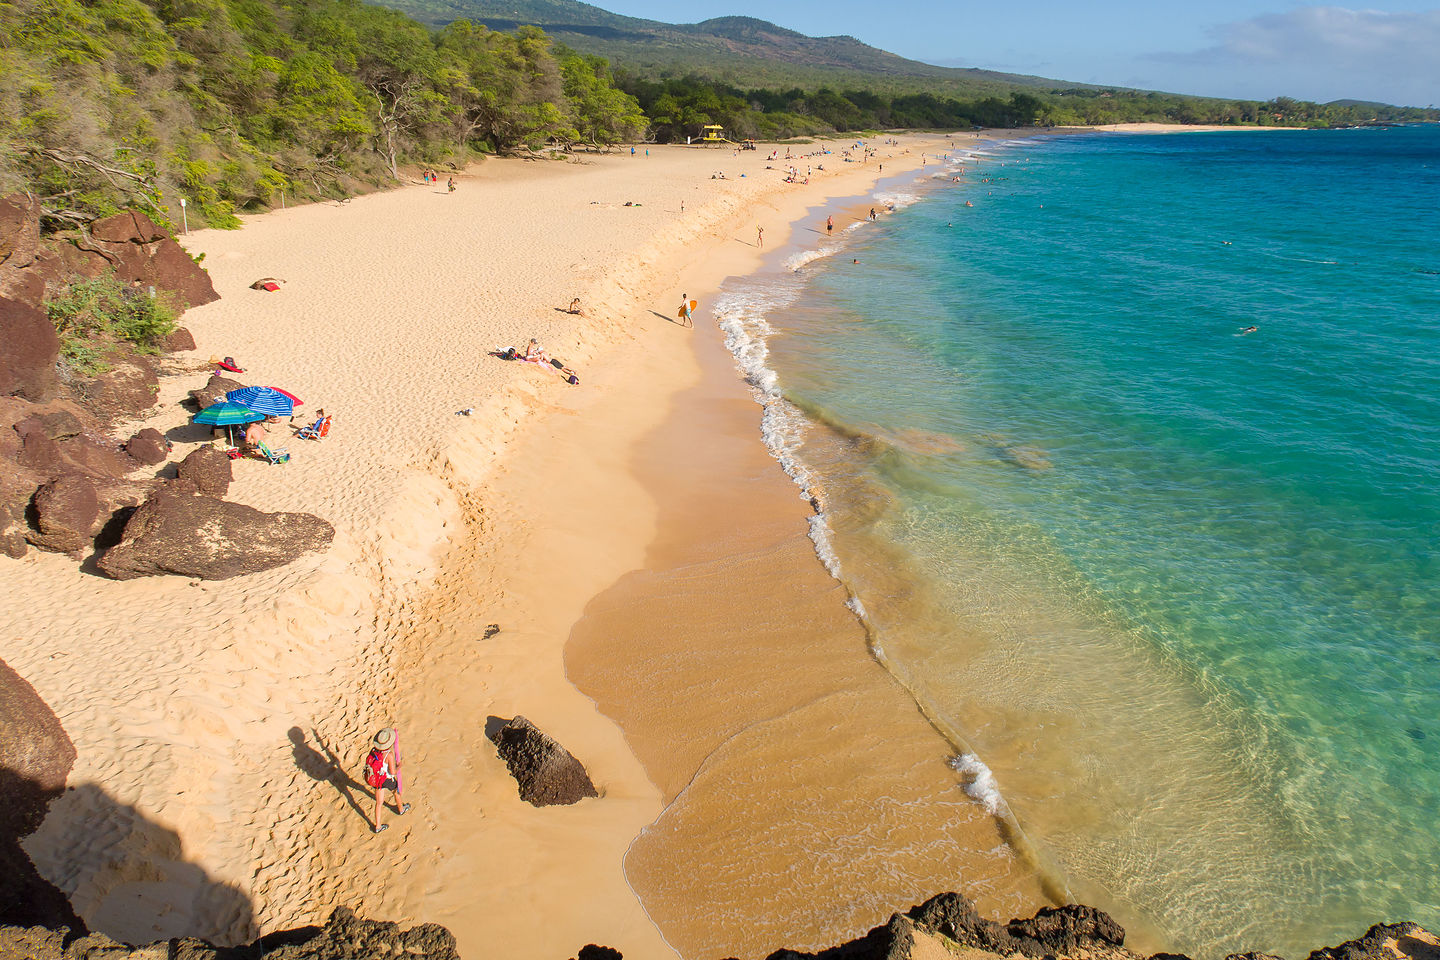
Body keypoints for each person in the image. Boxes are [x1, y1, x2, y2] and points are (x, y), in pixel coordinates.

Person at [364, 728, 409, 834]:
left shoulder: (374, 750)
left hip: (376, 780)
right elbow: (393, 773)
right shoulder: (389, 755)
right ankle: (401, 809)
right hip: (386, 779)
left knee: (379, 803)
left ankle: (378, 826)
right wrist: (399, 766)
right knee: (396, 792)